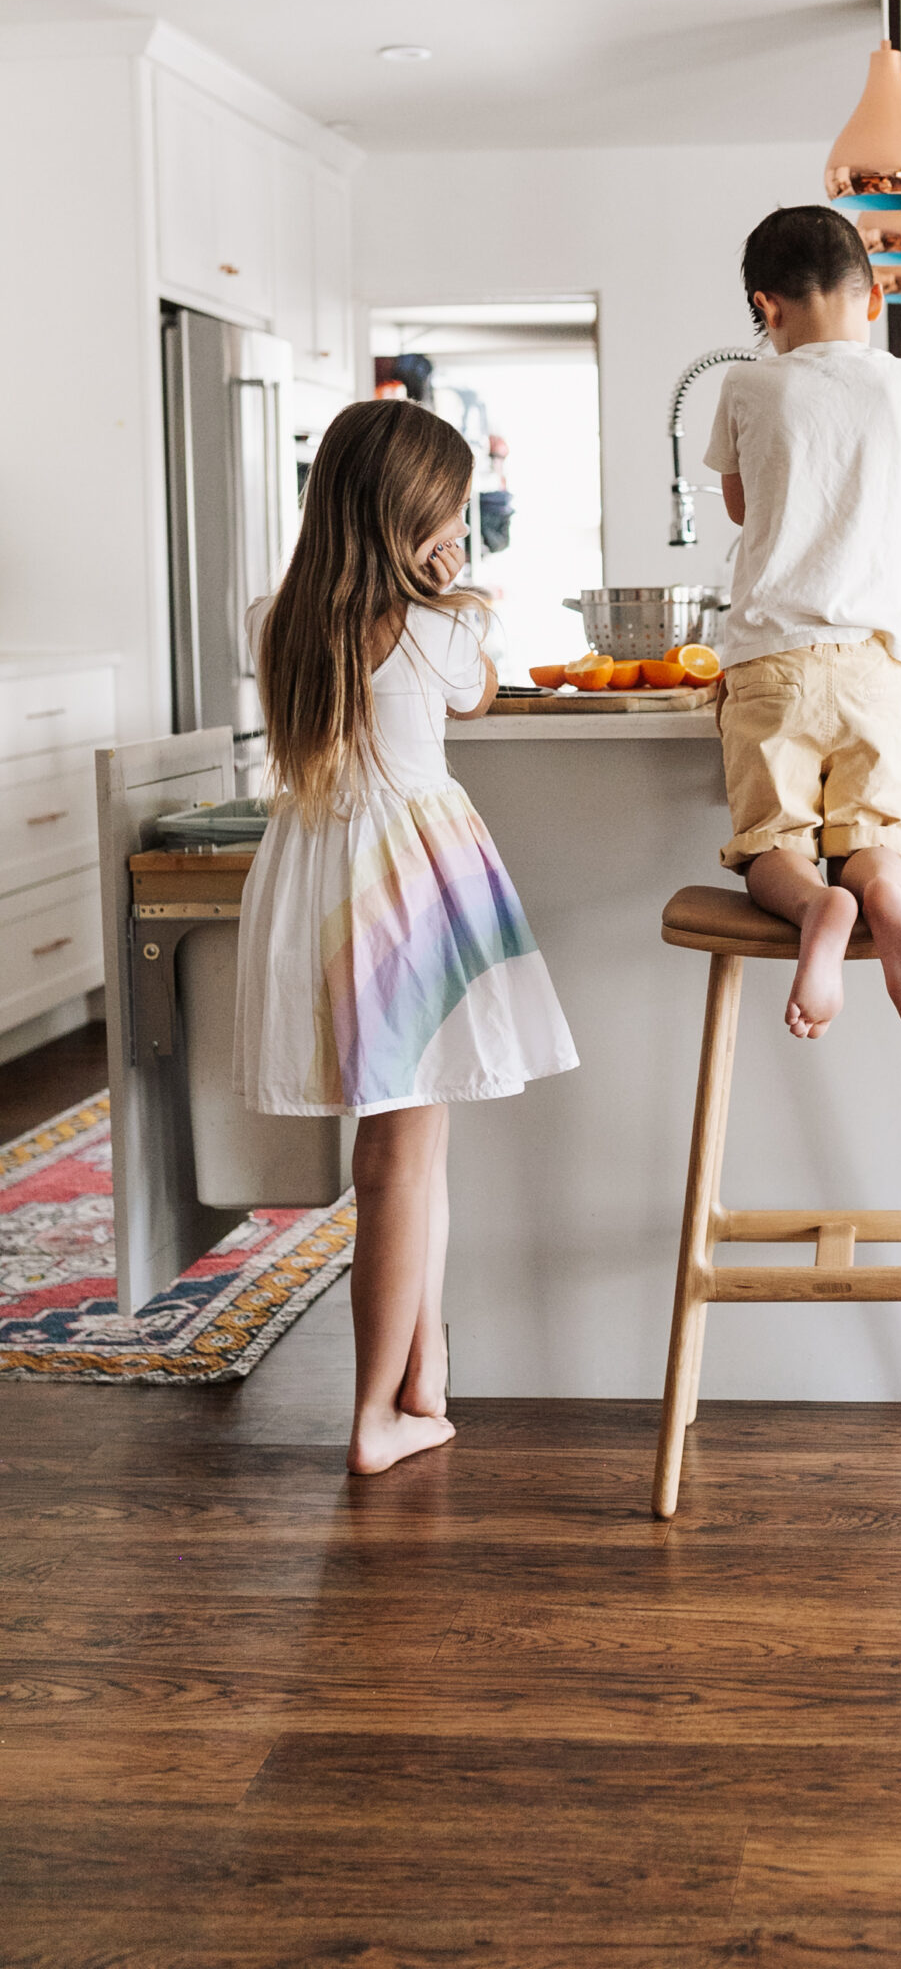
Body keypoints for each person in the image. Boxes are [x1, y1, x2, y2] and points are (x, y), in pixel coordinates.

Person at [236, 398, 577, 1474]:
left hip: (314, 888)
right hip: (410, 893)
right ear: (415, 516)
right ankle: (377, 1415)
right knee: (398, 1157)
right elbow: (475, 694)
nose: (463, 529)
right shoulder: (447, 629)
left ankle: (420, 1368)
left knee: (404, 1151)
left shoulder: (273, 618)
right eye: (455, 512)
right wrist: (450, 581)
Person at [706, 203, 901, 1040]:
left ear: (766, 307)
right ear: (874, 300)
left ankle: (818, 905)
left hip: (769, 657)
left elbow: (743, 509)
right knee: (872, 830)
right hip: (877, 662)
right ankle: (879, 895)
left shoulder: (746, 383)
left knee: (769, 841)